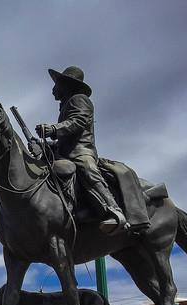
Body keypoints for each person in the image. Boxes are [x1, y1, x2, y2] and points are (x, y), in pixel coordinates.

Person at [36, 66, 127, 234]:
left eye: (56, 84)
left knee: (86, 168)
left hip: (81, 151)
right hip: (64, 153)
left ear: (66, 85)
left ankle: (113, 211)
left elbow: (78, 122)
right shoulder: (65, 106)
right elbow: (64, 139)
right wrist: (44, 146)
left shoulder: (79, 99)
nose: (53, 89)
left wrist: (53, 129)